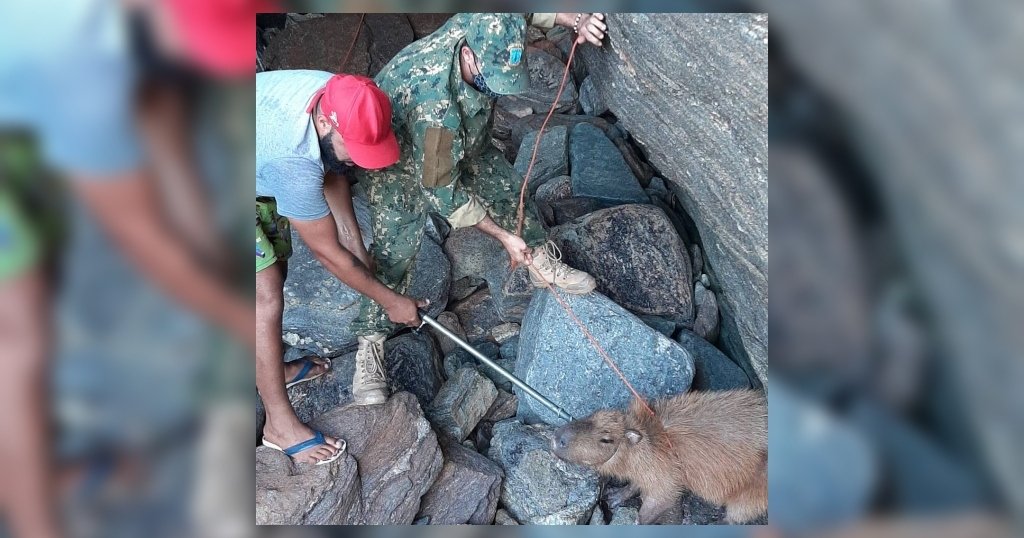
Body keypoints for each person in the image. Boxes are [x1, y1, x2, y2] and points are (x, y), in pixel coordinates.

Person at [348, 12, 608, 402]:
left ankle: (538, 259)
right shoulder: (435, 108)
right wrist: (503, 237)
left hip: (467, 136)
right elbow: (441, 190)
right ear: (469, 57)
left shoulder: (482, 22)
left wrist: (573, 20)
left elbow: (519, 13)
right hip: (399, 160)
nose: (498, 90)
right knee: (396, 250)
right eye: (491, 80)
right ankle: (369, 345)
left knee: (506, 188)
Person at [256, 70, 429, 463]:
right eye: (356, 150)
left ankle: (269, 372)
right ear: (323, 122)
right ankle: (278, 426)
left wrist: (355, 240)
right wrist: (391, 302)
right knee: (262, 297)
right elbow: (327, 254)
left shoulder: (343, 95)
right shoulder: (293, 161)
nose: (360, 162)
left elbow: (332, 165)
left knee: (276, 270)